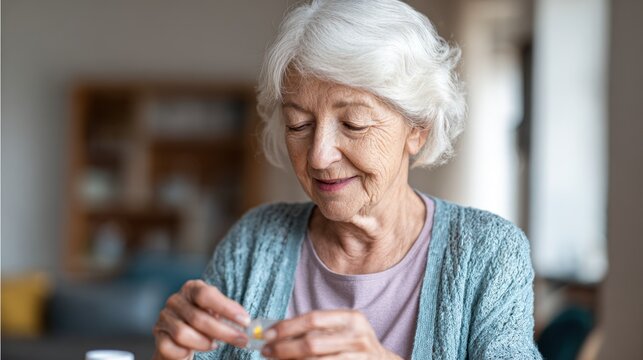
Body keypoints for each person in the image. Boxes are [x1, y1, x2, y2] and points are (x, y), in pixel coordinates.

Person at [153, 0, 542, 359]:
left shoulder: (489, 253)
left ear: (417, 129)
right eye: (299, 124)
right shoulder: (255, 242)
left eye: (353, 123)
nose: (319, 156)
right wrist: (178, 352)